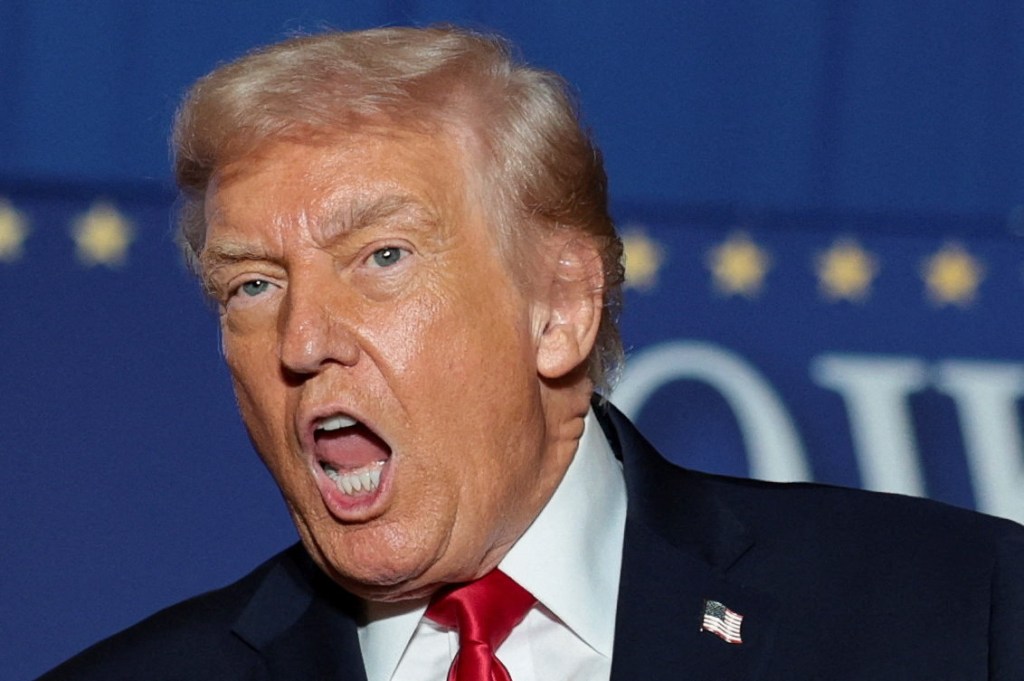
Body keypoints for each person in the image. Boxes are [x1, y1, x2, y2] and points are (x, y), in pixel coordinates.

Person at [40, 25, 1022, 681]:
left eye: (380, 257)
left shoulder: (954, 613)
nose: (301, 342)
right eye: (251, 284)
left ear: (559, 306)